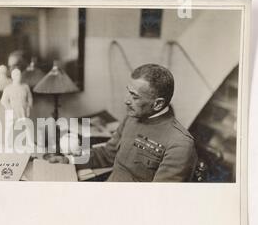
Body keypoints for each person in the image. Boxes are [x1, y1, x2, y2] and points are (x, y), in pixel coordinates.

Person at [50, 63, 198, 182]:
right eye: (128, 92)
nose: (126, 100)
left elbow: (158, 200)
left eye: (134, 96)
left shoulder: (180, 144)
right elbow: (108, 154)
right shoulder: (132, 117)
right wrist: (69, 159)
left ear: (158, 104)